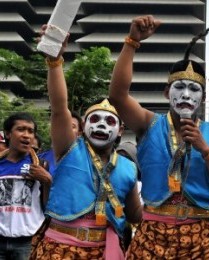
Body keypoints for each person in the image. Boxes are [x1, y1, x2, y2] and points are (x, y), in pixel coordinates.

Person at [109, 15, 209, 259]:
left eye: (194, 89)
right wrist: (132, 41)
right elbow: (117, 96)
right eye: (179, 87)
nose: (186, 95)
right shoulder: (149, 122)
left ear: (202, 98)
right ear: (167, 92)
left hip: (203, 237)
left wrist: (205, 150)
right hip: (154, 234)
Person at [31, 25, 142, 259]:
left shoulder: (129, 167)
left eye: (109, 121)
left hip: (105, 250)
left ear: (120, 130)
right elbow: (60, 108)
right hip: (59, 249)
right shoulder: (69, 149)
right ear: (83, 127)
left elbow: (135, 215)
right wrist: (55, 60)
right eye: (95, 119)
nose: (101, 125)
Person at [0, 112, 52, 260]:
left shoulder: (41, 166)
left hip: (28, 242)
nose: (27, 135)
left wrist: (48, 181)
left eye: (31, 131)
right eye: (21, 129)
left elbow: (49, 205)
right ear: (8, 134)